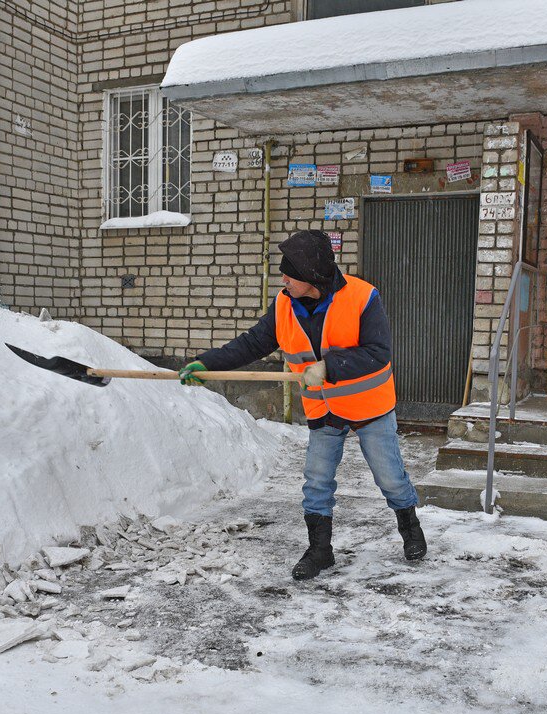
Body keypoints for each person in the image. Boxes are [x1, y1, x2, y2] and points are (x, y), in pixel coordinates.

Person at [178, 230, 426, 580]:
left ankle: (410, 529)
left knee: (389, 476)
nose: (284, 280)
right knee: (316, 481)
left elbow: (378, 353)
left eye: (290, 274)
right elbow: (253, 343)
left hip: (369, 406)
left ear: (312, 277)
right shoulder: (283, 304)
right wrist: (208, 363)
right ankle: (320, 551)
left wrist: (328, 367)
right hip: (324, 409)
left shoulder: (363, 297)